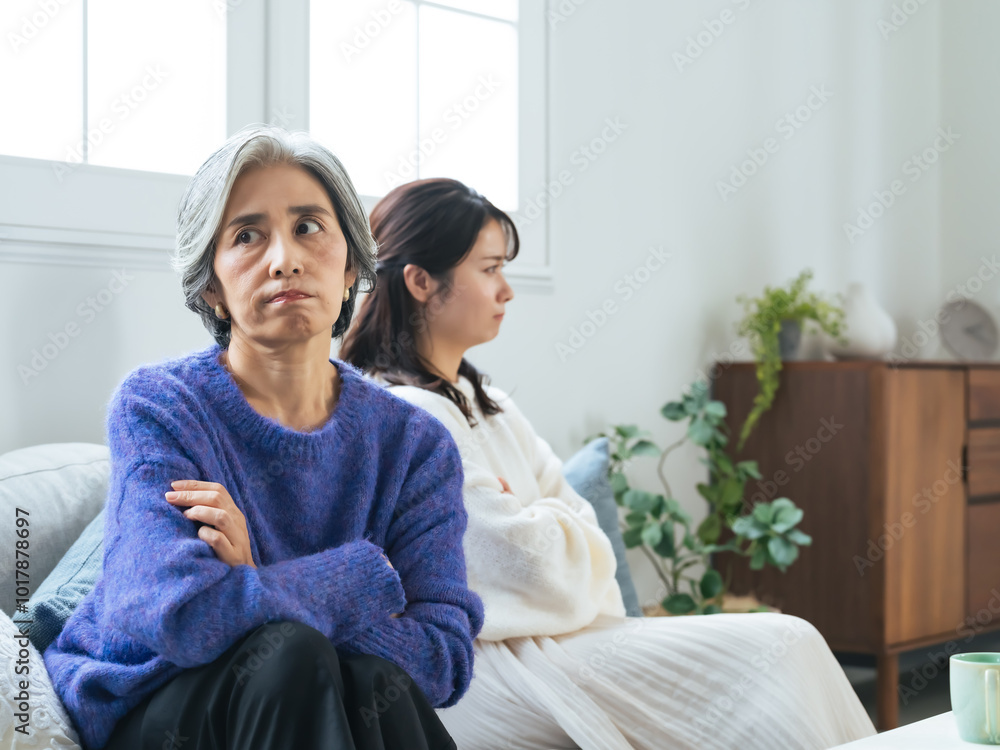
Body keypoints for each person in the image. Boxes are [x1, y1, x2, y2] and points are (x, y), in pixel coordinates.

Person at [338, 177, 878, 749]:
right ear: (422, 281)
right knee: (783, 647)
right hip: (494, 667)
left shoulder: (488, 403)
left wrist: (535, 517)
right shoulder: (406, 414)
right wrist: (545, 521)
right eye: (491, 268)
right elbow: (521, 567)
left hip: (556, 637)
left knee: (791, 645)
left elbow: (566, 522)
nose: (507, 291)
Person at [43, 128, 484, 750]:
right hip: (152, 705)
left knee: (369, 678)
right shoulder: (159, 406)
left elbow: (442, 661)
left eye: (309, 226)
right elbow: (180, 614)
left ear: (352, 262)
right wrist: (358, 580)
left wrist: (258, 574)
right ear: (212, 287)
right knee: (289, 653)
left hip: (315, 696)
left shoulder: (416, 445)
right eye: (247, 235)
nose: (285, 259)